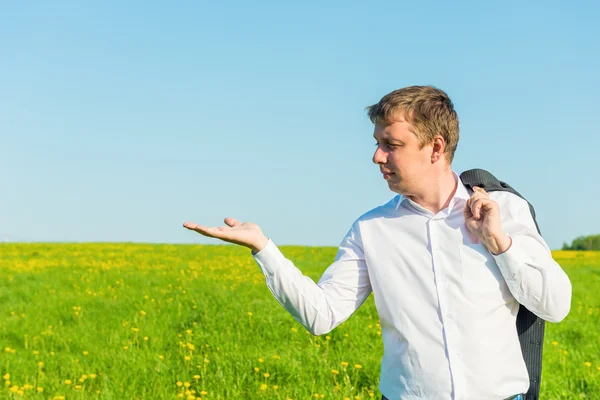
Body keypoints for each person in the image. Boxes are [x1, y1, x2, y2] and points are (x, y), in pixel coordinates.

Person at [183, 85, 572, 400]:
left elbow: (554, 306)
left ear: (436, 148)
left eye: (391, 144)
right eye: (377, 142)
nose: (376, 156)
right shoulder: (371, 229)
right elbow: (322, 316)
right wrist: (263, 248)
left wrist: (499, 242)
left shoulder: (503, 208)